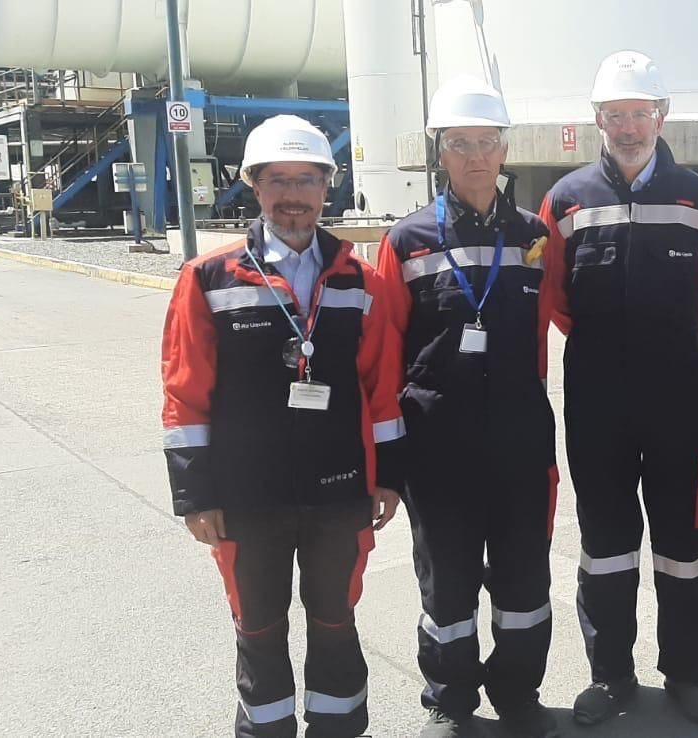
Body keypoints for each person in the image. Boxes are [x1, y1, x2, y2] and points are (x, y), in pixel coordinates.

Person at [161, 114, 406, 738]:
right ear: (253, 185)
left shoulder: (360, 279)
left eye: (307, 180)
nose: (293, 195)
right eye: (278, 180)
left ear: (328, 186)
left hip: (340, 491)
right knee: (258, 625)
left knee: (334, 621)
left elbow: (382, 392)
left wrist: (390, 480)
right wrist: (196, 493)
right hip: (247, 497)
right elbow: (185, 394)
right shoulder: (207, 279)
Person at [537, 50, 698, 726]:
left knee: (687, 542)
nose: (628, 125)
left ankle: (687, 674)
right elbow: (555, 299)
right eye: (615, 114)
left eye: (639, 112)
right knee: (607, 543)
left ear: (662, 115)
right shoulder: (564, 200)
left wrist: (660, 349)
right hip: (596, 398)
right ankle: (611, 675)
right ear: (597, 119)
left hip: (677, 394)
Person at [374, 77, 558, 738]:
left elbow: (555, 324)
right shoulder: (408, 240)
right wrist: (387, 459)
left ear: (504, 150)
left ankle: (518, 695)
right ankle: (449, 702)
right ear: (441, 152)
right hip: (437, 445)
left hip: (518, 439)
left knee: (522, 581)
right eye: (461, 144)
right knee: (446, 583)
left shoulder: (537, 237)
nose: (476, 155)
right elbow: (387, 349)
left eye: (487, 143)